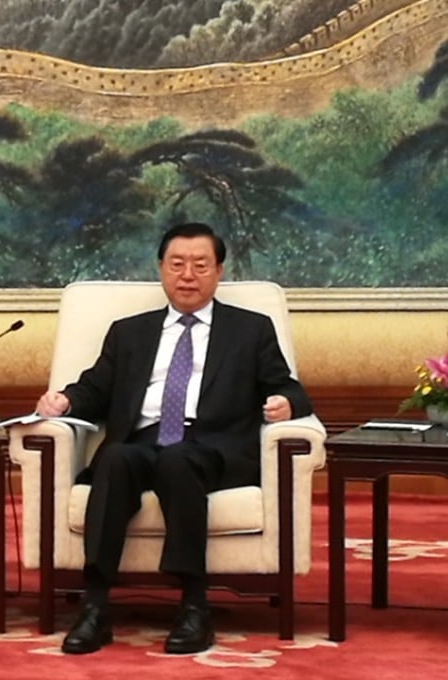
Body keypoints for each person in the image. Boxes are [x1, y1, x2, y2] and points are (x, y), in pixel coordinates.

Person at [36, 222, 312, 655]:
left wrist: (285, 403)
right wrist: (65, 401)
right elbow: (94, 389)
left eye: (200, 265)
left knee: (177, 461)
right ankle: (95, 606)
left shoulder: (250, 330)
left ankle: (194, 606)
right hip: (144, 439)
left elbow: (291, 388)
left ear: (219, 271)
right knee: (115, 459)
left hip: (213, 446)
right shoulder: (129, 332)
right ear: (161, 269)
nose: (187, 275)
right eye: (177, 264)